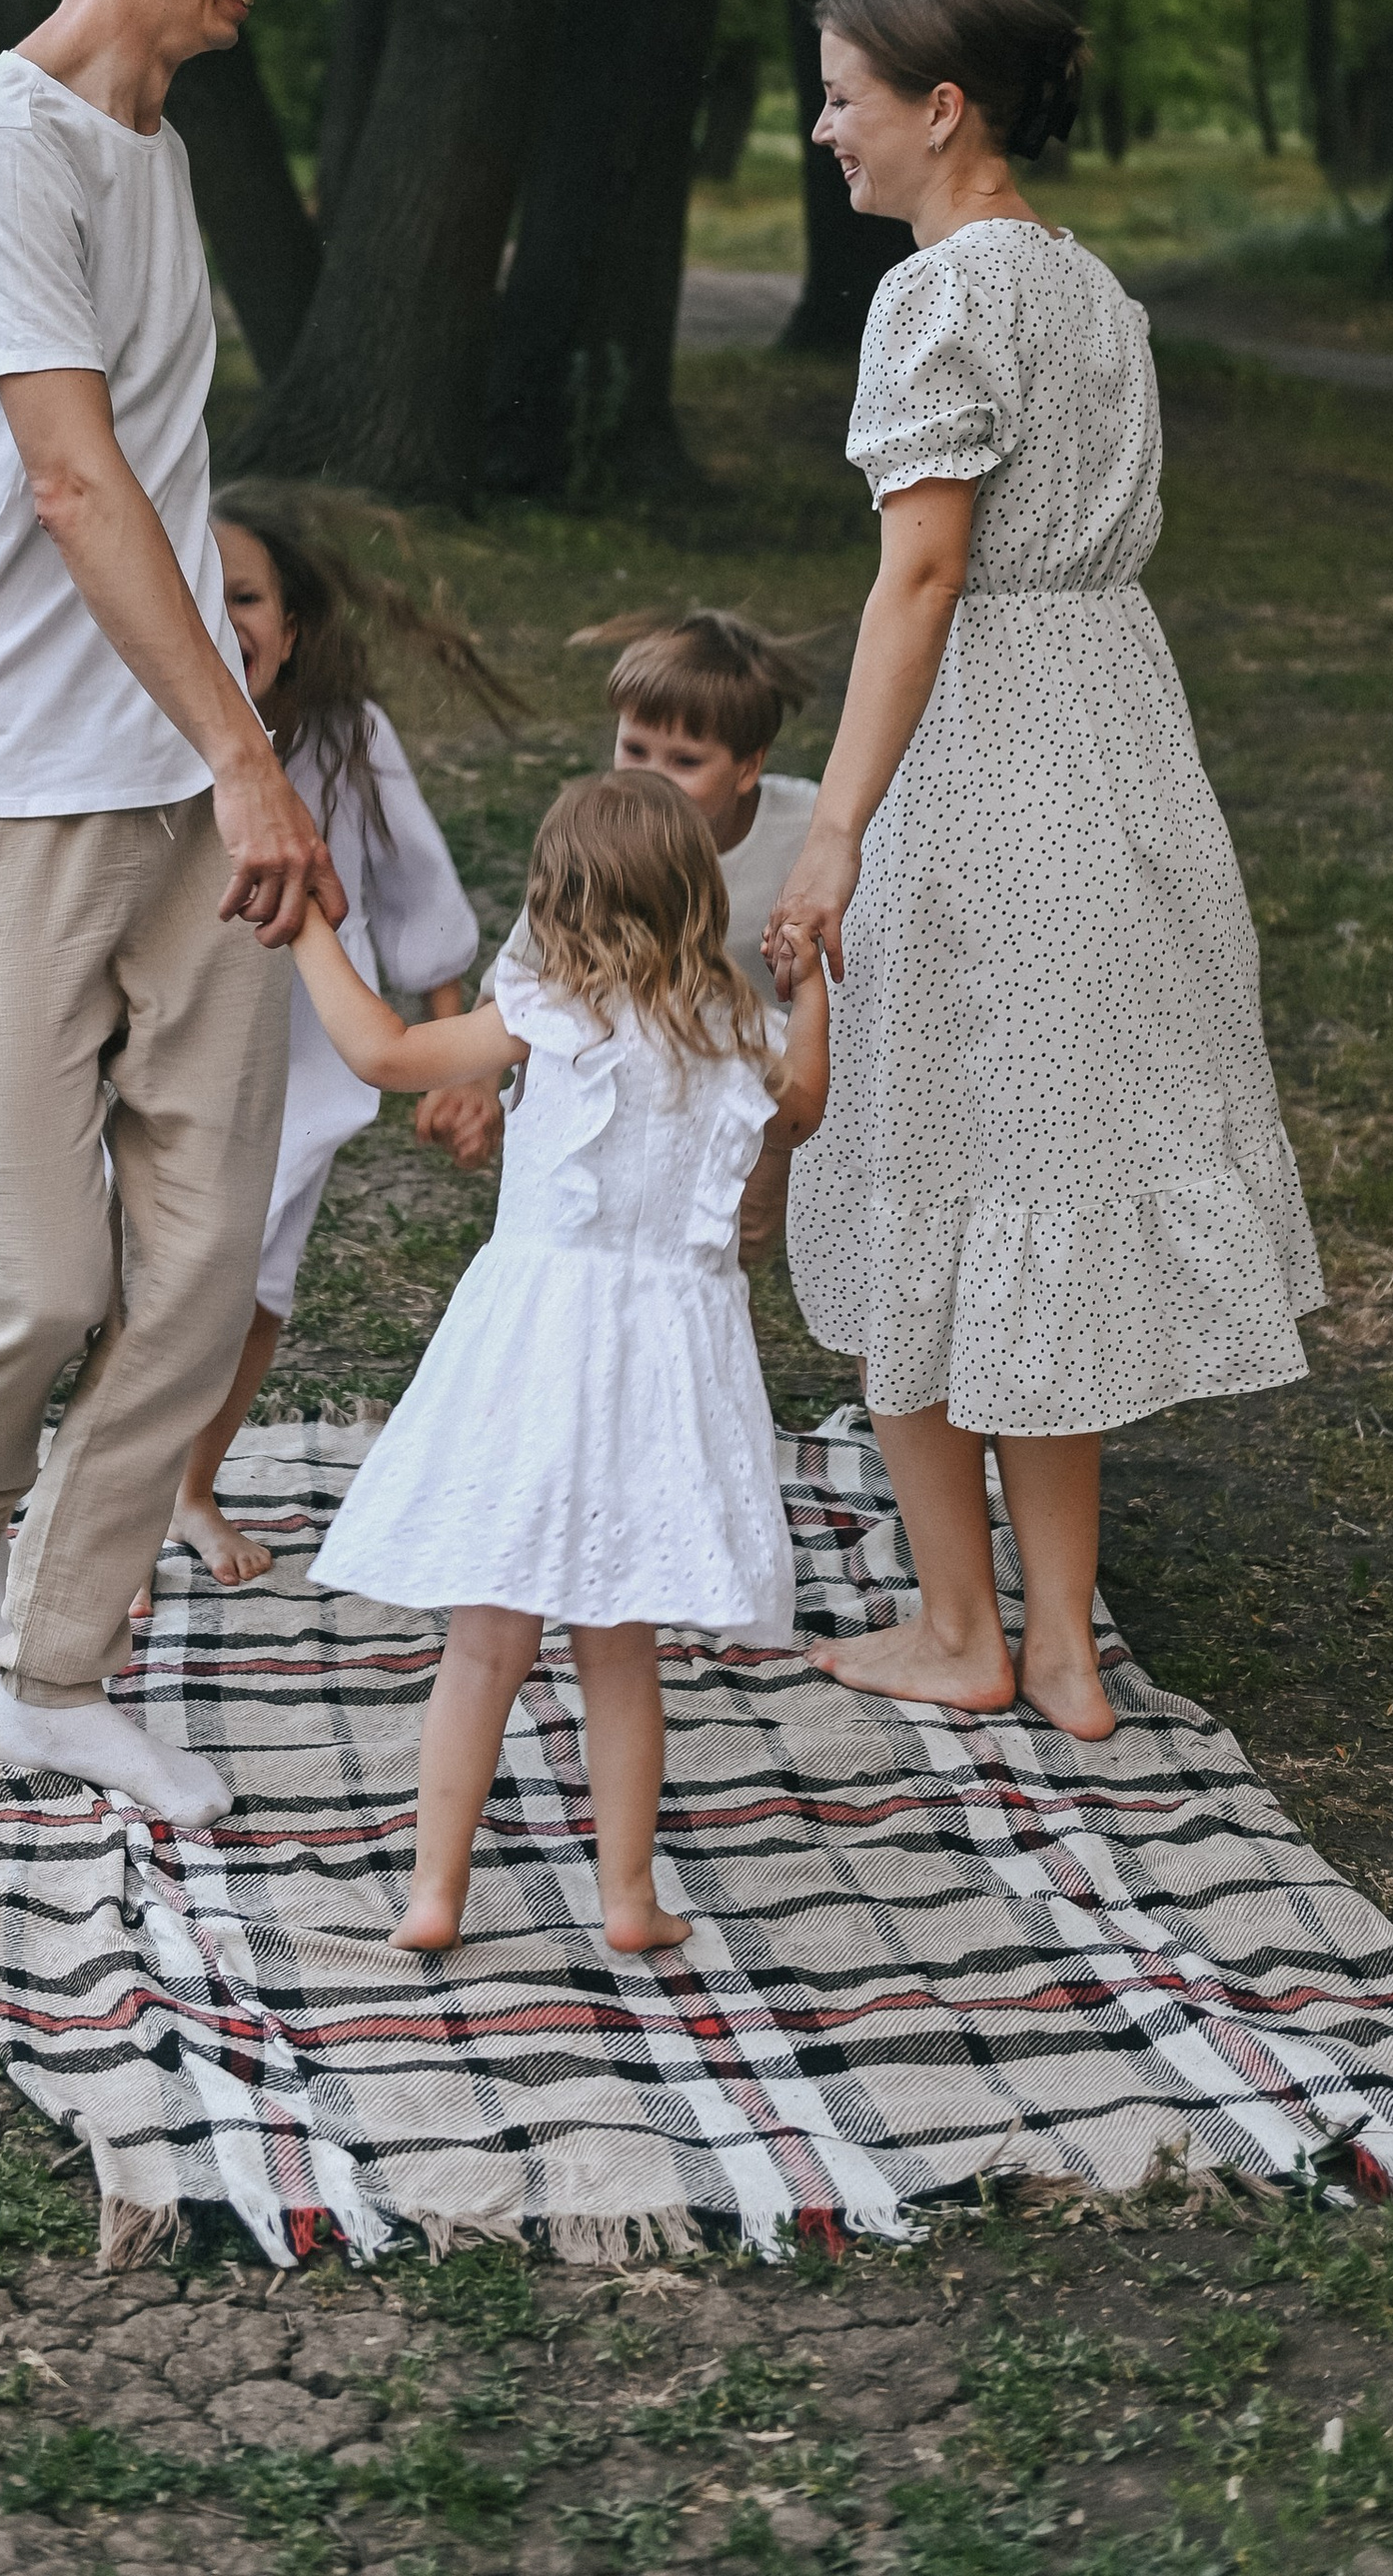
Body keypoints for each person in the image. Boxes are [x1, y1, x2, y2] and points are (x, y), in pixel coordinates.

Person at [763, 0, 1324, 1746]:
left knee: (918, 1159)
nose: (822, 123)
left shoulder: (937, 301)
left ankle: (959, 1623)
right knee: (1038, 1174)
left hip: (989, 749)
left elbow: (922, 571)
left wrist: (833, 820)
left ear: (943, 108)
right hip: (1116, 741)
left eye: (844, 91)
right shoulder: (1094, 290)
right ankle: (1064, 1641)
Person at [0, 0, 344, 1836]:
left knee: (199, 1263)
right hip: (2, 789)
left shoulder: (154, 156)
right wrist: (252, 753)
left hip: (183, 789)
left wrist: (225, 758)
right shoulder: (2, 148)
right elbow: (69, 478)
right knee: (44, 1279)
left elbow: (154, 470)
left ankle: (56, 1672)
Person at [278, 773, 831, 1953]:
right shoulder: (739, 1031)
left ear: (557, 898)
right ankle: (627, 1898)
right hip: (664, 1370)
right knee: (620, 1650)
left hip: (536, 1352)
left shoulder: (544, 1008)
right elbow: (808, 1106)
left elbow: (384, 1051)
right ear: (698, 894)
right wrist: (811, 985)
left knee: (485, 1643)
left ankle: (436, 1892)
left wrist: (309, 928)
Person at [139, 483, 509, 1599]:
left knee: (256, 1292)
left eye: (244, 594)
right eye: (195, 594)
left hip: (297, 1059)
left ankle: (189, 1486)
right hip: (158, 1047)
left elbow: (413, 888)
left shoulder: (347, 738)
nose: (222, 614)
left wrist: (458, 1048)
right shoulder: (138, 732)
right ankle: (109, 1506)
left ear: (291, 626)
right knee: (146, 1288)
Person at [415, 609, 818, 1172]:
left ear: (748, 767)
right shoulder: (604, 840)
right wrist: (476, 1081)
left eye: (684, 761)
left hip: (759, 1074)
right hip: (634, 1077)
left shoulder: (806, 830)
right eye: (634, 749)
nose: (650, 777)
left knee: (746, 1201)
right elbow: (527, 962)